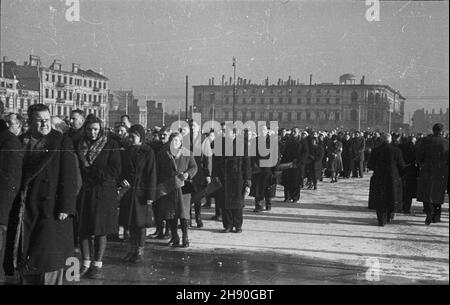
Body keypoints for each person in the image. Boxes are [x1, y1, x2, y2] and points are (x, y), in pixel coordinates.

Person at [3, 104, 78, 285]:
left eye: (47, 118)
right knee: (26, 258)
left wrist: (66, 207)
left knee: (49, 261)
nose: (45, 123)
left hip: (51, 210)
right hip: (25, 208)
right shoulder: (20, 141)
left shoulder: (61, 141)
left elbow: (70, 176)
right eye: (39, 119)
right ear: (29, 121)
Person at [76, 115, 122, 279]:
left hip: (103, 192)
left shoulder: (111, 144)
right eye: (89, 129)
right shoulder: (79, 144)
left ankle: (97, 264)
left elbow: (115, 170)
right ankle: (85, 262)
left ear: (101, 129)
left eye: (95, 129)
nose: (92, 132)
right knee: (84, 229)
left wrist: (94, 171)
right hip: (85, 191)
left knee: (100, 229)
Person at [118, 125, 156, 263]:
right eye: (129, 136)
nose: (130, 138)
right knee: (130, 223)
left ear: (140, 136)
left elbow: (151, 174)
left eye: (133, 136)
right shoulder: (127, 151)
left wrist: (150, 197)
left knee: (140, 224)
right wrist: (121, 180)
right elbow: (121, 170)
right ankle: (132, 250)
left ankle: (139, 251)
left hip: (141, 192)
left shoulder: (148, 152)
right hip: (128, 192)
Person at [157, 132, 197, 247]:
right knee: (171, 214)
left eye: (177, 141)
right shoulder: (162, 155)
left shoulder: (187, 154)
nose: (174, 143)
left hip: (183, 188)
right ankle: (175, 236)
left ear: (180, 142)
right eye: (172, 140)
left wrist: (187, 174)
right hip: (169, 188)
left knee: (183, 215)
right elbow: (158, 170)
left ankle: (185, 237)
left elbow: (194, 167)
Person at [212, 124, 252, 233]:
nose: (224, 133)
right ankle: (228, 225)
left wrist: (248, 181)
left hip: (238, 179)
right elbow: (215, 162)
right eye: (224, 131)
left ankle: (238, 225)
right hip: (224, 178)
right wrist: (215, 176)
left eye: (227, 132)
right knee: (225, 203)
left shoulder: (242, 145)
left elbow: (247, 164)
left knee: (238, 203)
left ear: (234, 134)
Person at [0, 114, 24, 276]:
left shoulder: (8, 141)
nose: (9, 124)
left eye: (11, 122)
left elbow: (10, 181)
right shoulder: (9, 140)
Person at [367, 133, 405, 226]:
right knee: (391, 197)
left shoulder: (375, 151)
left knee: (380, 198)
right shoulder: (396, 150)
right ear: (390, 140)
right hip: (392, 177)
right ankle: (388, 216)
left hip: (379, 177)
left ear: (381, 140)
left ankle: (381, 219)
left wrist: (378, 167)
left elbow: (370, 165)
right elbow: (401, 165)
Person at [416, 123, 449, 225]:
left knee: (426, 191)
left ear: (433, 130)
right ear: (442, 131)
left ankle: (428, 210)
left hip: (427, 169)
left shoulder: (425, 141)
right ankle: (436, 215)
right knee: (438, 192)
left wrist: (421, 163)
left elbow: (419, 156)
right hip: (441, 171)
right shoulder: (446, 143)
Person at [189, 120, 212, 228]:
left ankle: (198, 218)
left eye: (194, 126)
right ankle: (188, 218)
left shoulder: (203, 140)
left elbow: (207, 159)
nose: (192, 128)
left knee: (197, 197)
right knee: (187, 197)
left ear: (199, 128)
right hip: (188, 173)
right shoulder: (184, 139)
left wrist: (208, 174)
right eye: (190, 126)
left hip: (199, 173)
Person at [251, 125, 278, 212]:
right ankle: (258, 206)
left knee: (268, 187)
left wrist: (275, 169)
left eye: (264, 130)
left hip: (268, 167)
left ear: (267, 131)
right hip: (258, 167)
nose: (263, 131)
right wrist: (254, 165)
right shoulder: (255, 141)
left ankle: (268, 203)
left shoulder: (272, 141)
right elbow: (251, 154)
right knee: (258, 187)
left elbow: (276, 155)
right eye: (261, 130)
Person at [399, 136, 418, 214]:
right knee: (409, 192)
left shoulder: (401, 147)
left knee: (402, 189)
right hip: (411, 171)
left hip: (402, 170)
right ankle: (407, 208)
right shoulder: (415, 148)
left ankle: (401, 206)